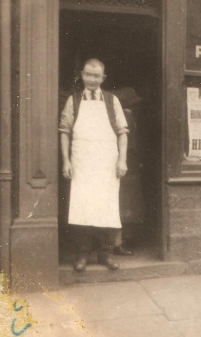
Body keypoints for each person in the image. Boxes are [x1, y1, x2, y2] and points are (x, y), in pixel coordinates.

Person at [59, 59, 129, 272]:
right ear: (82, 74)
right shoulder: (74, 100)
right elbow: (64, 131)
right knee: (82, 207)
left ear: (103, 78)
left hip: (106, 163)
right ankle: (83, 254)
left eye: (96, 76)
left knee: (106, 207)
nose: (92, 79)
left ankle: (105, 254)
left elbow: (122, 132)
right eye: (88, 74)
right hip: (82, 163)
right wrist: (66, 160)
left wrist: (122, 160)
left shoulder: (111, 100)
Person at [112, 87, 146, 256]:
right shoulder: (127, 117)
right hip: (126, 167)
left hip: (128, 167)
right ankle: (118, 242)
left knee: (125, 205)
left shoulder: (129, 116)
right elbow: (132, 144)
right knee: (123, 204)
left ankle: (122, 240)